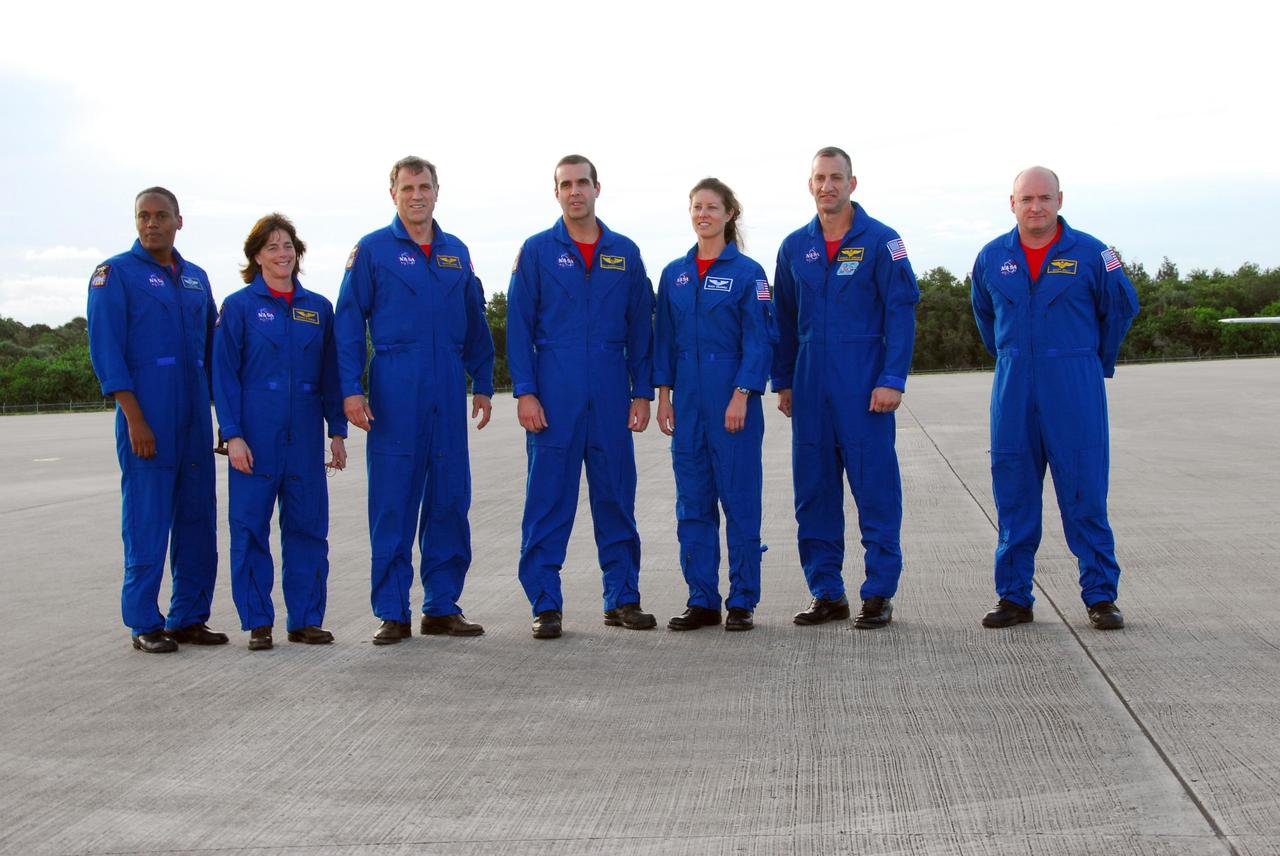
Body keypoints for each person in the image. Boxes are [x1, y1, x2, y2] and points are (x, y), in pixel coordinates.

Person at [335, 156, 495, 645]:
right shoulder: (373, 251)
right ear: (393, 194)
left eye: (424, 187)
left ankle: (442, 606)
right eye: (408, 188)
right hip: (393, 386)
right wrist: (350, 388)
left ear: (437, 191)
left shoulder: (456, 252)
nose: (417, 195)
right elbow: (347, 322)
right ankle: (392, 611)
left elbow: (475, 322)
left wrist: (483, 382)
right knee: (393, 501)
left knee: (450, 498)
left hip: (447, 386)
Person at [970, 166, 1139, 630]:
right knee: (1014, 496)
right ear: (1012, 203)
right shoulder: (991, 258)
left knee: (1084, 494)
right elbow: (985, 318)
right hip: (1013, 389)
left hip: (1074, 387)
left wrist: (1091, 361)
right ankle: (1014, 597)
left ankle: (1101, 597)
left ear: (1060, 200)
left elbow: (1121, 308)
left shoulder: (1092, 254)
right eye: (1027, 199)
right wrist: (1013, 357)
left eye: (1044, 198)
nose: (1036, 207)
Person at [507, 154, 655, 640]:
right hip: (554, 395)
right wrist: (525, 392)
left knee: (616, 497)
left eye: (582, 183)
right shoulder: (536, 252)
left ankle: (622, 598)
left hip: (612, 394)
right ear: (556, 193)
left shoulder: (625, 253)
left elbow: (641, 328)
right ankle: (546, 604)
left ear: (597, 188)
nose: (575, 192)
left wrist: (641, 392)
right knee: (548, 502)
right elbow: (518, 329)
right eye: (565, 185)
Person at [772, 147, 920, 630]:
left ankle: (878, 592)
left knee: (875, 489)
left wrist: (891, 378)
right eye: (819, 178)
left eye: (837, 178)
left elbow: (901, 311)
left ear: (852, 184)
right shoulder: (795, 247)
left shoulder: (883, 241)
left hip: (865, 385)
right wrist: (786, 380)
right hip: (811, 385)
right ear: (809, 184)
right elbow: (784, 320)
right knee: (813, 492)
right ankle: (826, 591)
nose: (827, 186)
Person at [87, 187, 227, 653]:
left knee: (197, 518)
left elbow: (215, 351)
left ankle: (188, 616)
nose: (151, 224)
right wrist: (134, 417)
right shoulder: (115, 275)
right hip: (147, 416)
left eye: (160, 216)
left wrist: (224, 418)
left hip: (193, 419)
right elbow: (106, 350)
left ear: (178, 221)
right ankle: (144, 621)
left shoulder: (196, 279)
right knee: (147, 520)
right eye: (143, 216)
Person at [213, 214, 348, 650]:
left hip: (305, 438)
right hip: (254, 437)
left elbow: (332, 375)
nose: (281, 254)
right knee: (250, 528)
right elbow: (224, 376)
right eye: (271, 247)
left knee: (308, 528)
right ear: (256, 256)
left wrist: (337, 432)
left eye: (287, 245)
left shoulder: (318, 309)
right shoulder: (238, 308)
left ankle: (306, 620)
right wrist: (232, 434)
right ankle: (258, 622)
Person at [654, 178, 775, 632]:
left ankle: (741, 599)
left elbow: (760, 341)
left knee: (740, 502)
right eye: (696, 207)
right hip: (687, 404)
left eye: (712, 207)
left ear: (729, 215)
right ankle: (701, 599)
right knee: (693, 504)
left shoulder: (749, 274)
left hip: (733, 402)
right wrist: (663, 397)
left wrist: (743, 392)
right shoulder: (675, 275)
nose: (703, 214)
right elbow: (663, 340)